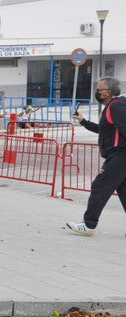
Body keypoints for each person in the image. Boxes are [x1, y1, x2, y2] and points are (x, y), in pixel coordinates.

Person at [67, 77, 126, 236]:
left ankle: (89, 225)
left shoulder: (116, 106)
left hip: (120, 156)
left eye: (99, 90)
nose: (96, 92)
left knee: (99, 187)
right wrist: (83, 121)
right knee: (124, 191)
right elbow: (103, 130)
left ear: (108, 92)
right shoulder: (112, 107)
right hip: (119, 156)